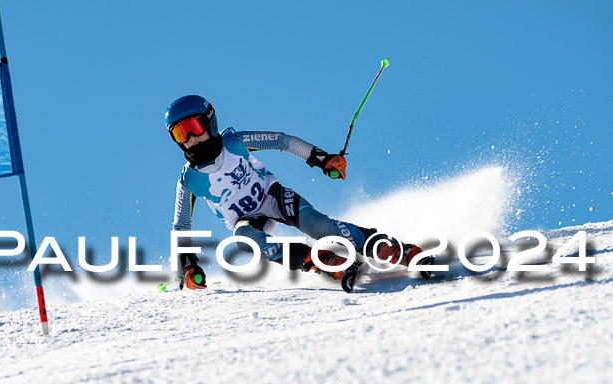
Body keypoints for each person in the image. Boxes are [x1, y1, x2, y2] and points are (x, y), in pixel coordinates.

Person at [167, 95, 423, 290]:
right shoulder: (189, 180)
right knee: (248, 244)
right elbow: (181, 227)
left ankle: (401, 251)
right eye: (180, 133)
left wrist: (322, 159)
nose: (189, 138)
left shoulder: (234, 143)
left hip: (272, 197)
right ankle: (324, 261)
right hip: (246, 220)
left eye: (193, 127)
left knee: (320, 226)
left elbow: (282, 140)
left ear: (210, 123)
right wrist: (188, 266)